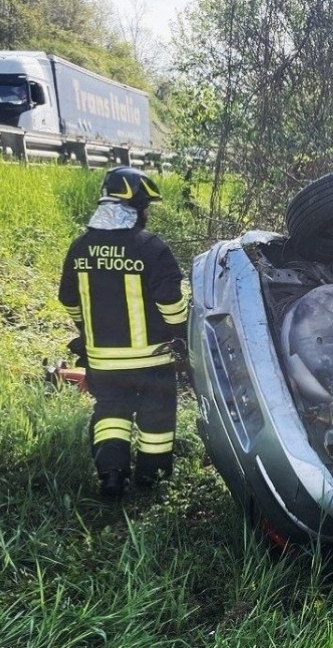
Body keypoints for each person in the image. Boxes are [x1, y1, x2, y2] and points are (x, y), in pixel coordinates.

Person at [58, 167, 188, 499]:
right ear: (136, 207)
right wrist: (182, 337)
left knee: (110, 411)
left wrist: (85, 331)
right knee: (156, 413)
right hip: (151, 359)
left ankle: (111, 477)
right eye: (146, 207)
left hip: (103, 360)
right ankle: (151, 479)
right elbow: (171, 302)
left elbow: (69, 300)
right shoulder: (150, 247)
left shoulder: (80, 247)